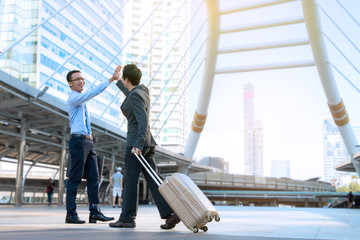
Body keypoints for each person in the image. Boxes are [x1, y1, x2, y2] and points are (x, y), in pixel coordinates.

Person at [109, 64, 180, 229]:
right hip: (148, 143)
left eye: (123, 80)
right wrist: (117, 81)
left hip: (136, 144)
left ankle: (127, 218)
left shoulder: (135, 96)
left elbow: (143, 121)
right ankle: (170, 215)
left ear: (127, 79)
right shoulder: (142, 91)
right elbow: (130, 94)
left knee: (131, 182)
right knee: (154, 181)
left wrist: (138, 145)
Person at [65, 65, 121, 224]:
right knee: (74, 178)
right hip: (78, 141)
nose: (81, 81)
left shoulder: (81, 101)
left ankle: (94, 212)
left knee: (94, 177)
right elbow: (92, 93)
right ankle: (71, 214)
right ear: (70, 83)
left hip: (88, 142)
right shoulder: (73, 98)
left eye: (82, 79)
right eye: (77, 79)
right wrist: (111, 80)